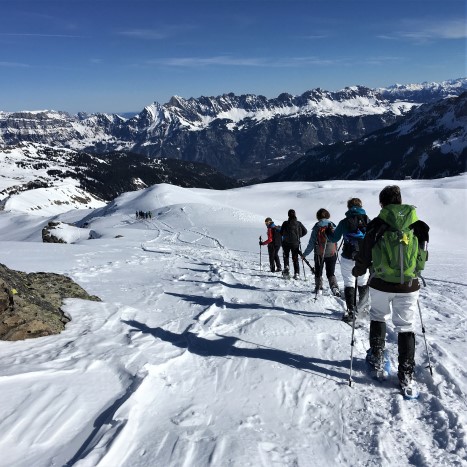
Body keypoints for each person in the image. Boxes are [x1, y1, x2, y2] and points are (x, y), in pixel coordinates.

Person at [352, 185, 429, 395]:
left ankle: (377, 357)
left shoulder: (377, 224)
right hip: (409, 285)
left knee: (378, 317)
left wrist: (358, 270)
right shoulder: (419, 225)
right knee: (405, 326)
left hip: (381, 283)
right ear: (400, 200)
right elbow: (422, 254)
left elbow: (365, 254)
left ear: (382, 204)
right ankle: (406, 373)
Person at [326, 198, 370, 322]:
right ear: (361, 206)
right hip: (363, 257)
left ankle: (351, 311)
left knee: (349, 283)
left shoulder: (344, 222)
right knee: (363, 282)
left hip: (348, 256)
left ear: (349, 207)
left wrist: (329, 232)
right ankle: (363, 308)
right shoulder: (368, 221)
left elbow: (334, 239)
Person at [303, 208, 340, 296]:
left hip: (319, 253)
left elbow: (311, 243)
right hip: (332, 253)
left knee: (318, 271)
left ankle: (318, 288)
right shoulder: (333, 226)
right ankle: (334, 288)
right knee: (331, 272)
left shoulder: (317, 227)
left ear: (318, 216)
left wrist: (305, 254)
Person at [280, 209, 307, 279]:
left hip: (286, 243)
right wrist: (298, 236)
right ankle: (297, 273)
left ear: (288, 215)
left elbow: (280, 233)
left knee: (286, 257)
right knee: (295, 258)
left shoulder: (285, 223)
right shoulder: (298, 223)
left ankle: (286, 270)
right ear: (295, 215)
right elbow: (305, 231)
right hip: (295, 243)